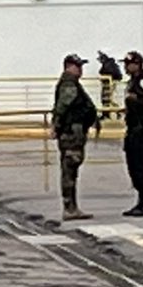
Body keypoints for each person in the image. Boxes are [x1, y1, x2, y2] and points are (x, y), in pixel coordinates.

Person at [51, 54, 100, 224]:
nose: (80, 69)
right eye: (77, 66)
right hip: (71, 133)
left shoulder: (72, 84)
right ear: (68, 67)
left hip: (74, 133)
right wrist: (56, 126)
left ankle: (72, 207)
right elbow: (62, 107)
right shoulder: (69, 85)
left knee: (71, 169)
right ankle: (69, 208)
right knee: (69, 169)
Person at [121, 50, 143, 218]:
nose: (126, 67)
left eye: (128, 64)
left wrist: (131, 99)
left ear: (137, 64)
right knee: (134, 165)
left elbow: (142, 101)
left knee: (141, 165)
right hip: (133, 128)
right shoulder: (132, 82)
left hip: (141, 129)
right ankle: (141, 201)